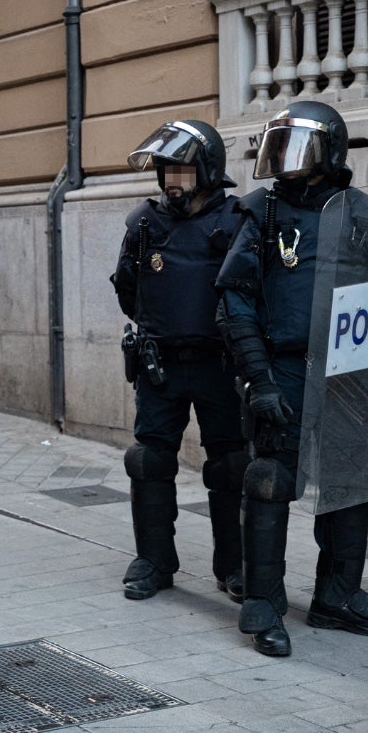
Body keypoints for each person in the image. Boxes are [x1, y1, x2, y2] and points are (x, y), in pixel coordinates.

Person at [216, 100, 368, 657]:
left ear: (330, 154)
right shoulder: (261, 213)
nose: (285, 161)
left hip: (347, 374)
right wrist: (259, 379)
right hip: (284, 367)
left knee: (352, 482)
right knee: (269, 478)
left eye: (297, 147)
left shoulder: (363, 213)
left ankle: (337, 596)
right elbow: (234, 299)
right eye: (278, 147)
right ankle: (263, 601)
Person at [109, 120, 246, 603]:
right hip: (160, 364)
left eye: (183, 170)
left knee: (231, 466)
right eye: (167, 170)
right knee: (148, 460)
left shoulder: (236, 222)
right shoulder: (145, 224)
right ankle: (154, 561)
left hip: (220, 365)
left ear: (208, 171)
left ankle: (235, 566)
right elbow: (129, 291)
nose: (172, 180)